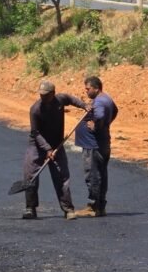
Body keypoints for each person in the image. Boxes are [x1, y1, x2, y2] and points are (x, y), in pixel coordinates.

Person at [22, 81, 87, 220]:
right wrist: (47, 149)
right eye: (41, 95)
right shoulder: (35, 109)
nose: (43, 97)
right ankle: (30, 208)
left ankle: (68, 209)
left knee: (62, 175)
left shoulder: (60, 100)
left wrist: (84, 106)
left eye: (46, 95)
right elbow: (35, 132)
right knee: (30, 175)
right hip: (37, 145)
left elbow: (71, 99)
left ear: (53, 93)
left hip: (57, 144)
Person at [75, 76, 118, 218]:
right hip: (102, 142)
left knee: (93, 174)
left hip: (94, 145)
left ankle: (94, 207)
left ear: (96, 88)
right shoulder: (107, 99)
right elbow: (115, 111)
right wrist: (106, 124)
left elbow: (99, 115)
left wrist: (96, 125)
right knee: (101, 174)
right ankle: (100, 206)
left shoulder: (99, 102)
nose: (86, 91)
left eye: (88, 89)